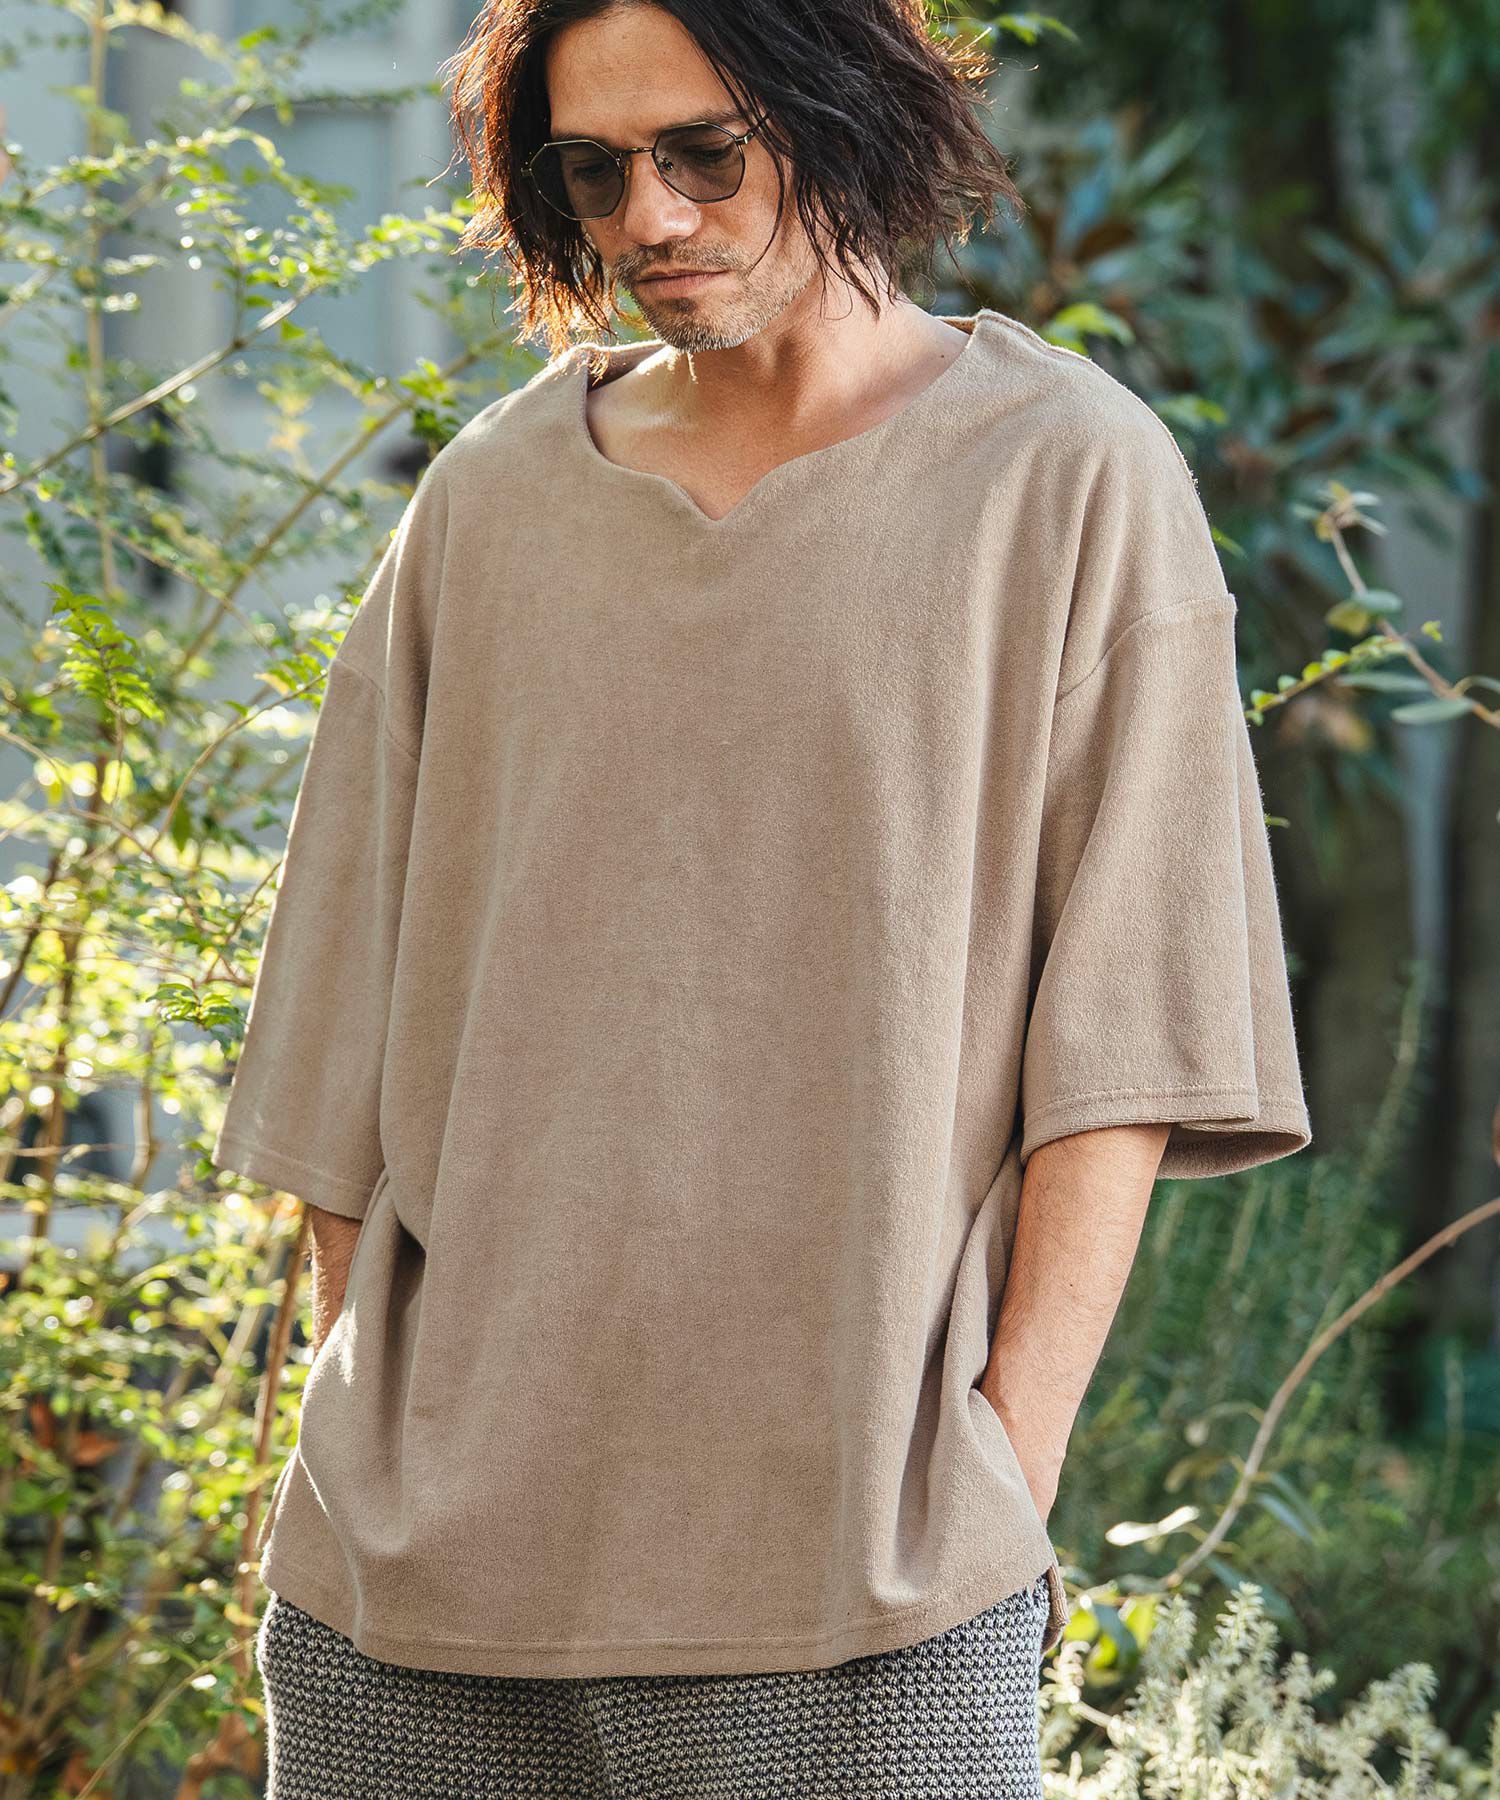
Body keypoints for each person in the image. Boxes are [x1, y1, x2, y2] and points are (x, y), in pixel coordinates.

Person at [211, 1, 1313, 1794]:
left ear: (843, 110)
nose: (649, 217)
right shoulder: (491, 503)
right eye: (593, 172)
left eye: (704, 153)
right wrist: (371, 1424)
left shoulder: (1065, 478)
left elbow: (1128, 1042)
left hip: (863, 1590)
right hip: (418, 1607)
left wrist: (999, 1475)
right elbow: (341, 1023)